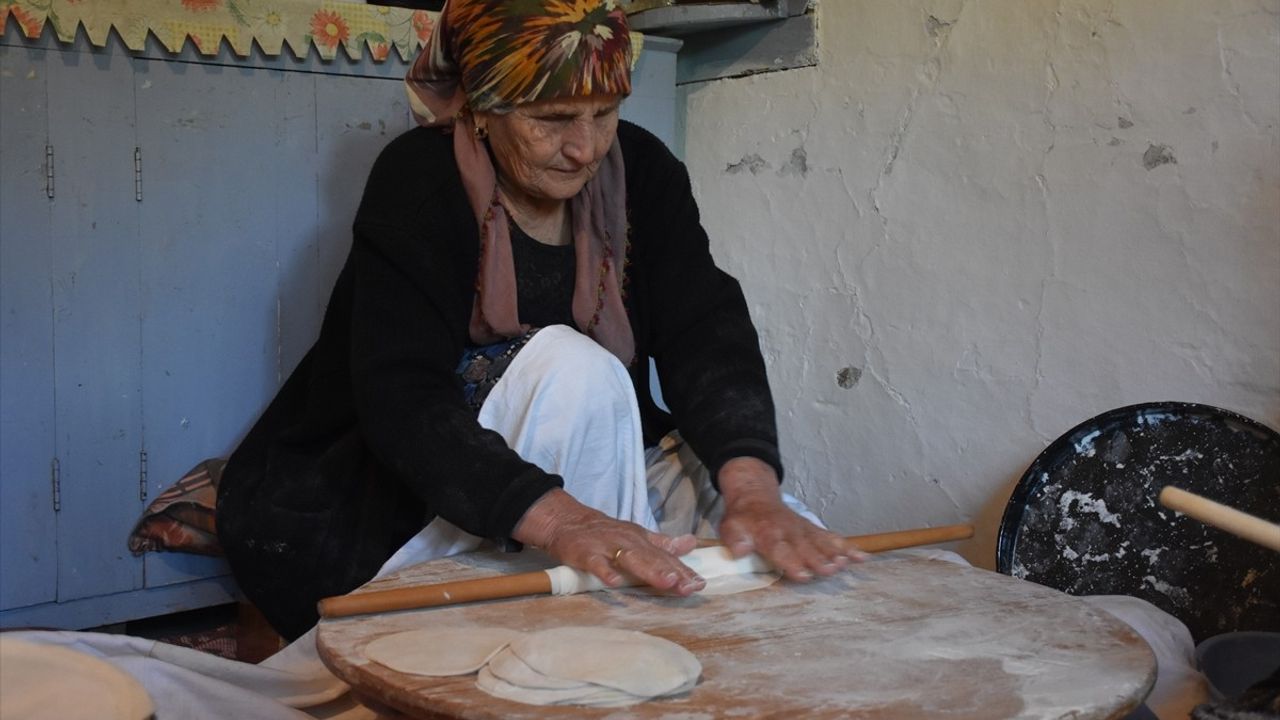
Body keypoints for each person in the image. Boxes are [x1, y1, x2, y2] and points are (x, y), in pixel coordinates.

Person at [217, 0, 859, 642]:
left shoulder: (643, 171)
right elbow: (400, 397)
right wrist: (564, 523)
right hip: (400, 482)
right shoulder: (419, 180)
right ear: (483, 109)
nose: (584, 149)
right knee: (573, 368)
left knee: (754, 547)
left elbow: (705, 330)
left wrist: (753, 492)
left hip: (580, 447)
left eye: (604, 114)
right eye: (552, 120)